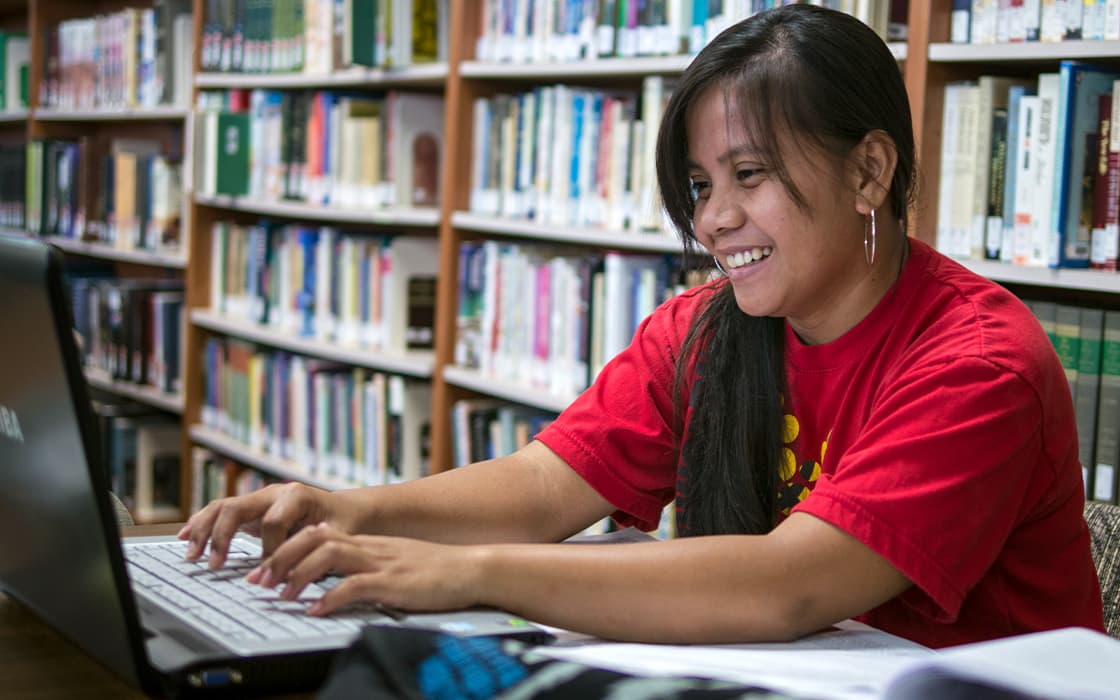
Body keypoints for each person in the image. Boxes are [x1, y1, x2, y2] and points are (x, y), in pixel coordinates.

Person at [180, 4, 1105, 649]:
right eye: (702, 188)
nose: (712, 222)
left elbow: (790, 587)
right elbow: (548, 485)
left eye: (751, 177)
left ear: (869, 172)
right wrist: (349, 510)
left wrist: (466, 574)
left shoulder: (981, 365)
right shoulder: (706, 330)